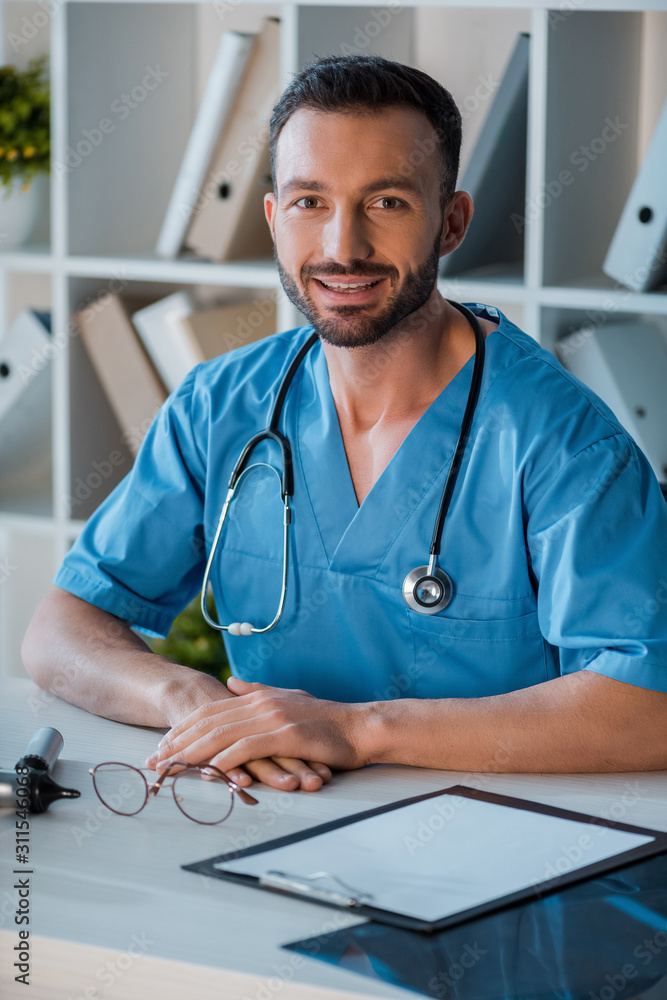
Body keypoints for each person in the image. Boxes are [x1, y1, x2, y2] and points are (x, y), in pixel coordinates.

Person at [22, 55, 667, 792]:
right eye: (308, 203)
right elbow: (61, 630)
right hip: (272, 815)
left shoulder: (561, 442)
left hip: (497, 847)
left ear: (450, 221)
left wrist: (357, 729)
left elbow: (648, 708)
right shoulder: (219, 405)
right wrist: (192, 701)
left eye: (386, 202)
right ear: (273, 219)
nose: (340, 247)